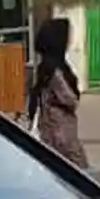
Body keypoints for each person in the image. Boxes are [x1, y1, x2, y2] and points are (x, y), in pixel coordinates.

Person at [30, 16, 88, 167]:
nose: (69, 40)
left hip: (51, 131)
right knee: (80, 174)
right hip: (60, 135)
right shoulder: (55, 71)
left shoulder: (45, 66)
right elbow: (70, 100)